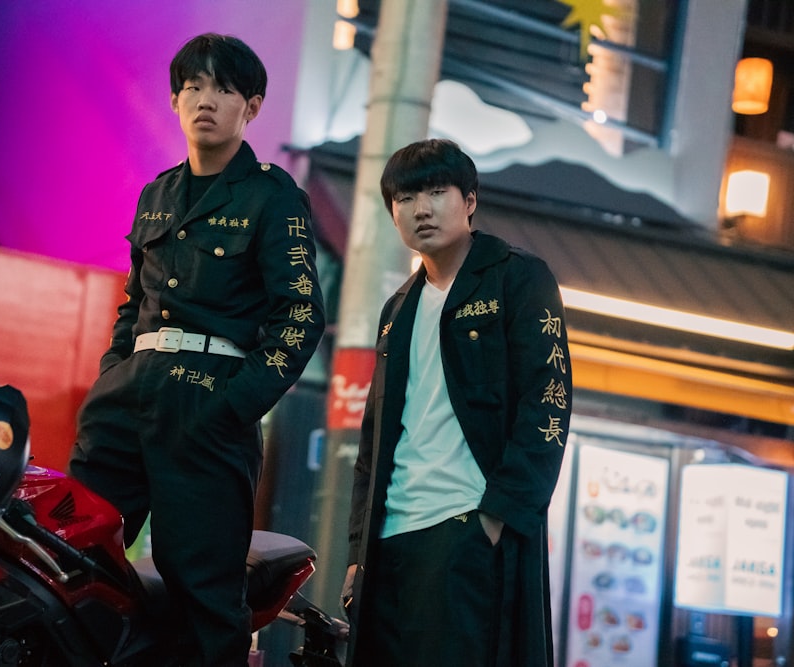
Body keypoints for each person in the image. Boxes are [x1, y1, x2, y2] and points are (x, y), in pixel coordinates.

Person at [68, 33, 325, 667]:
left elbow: (300, 315)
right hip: (127, 399)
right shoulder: (156, 194)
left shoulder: (272, 196)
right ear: (175, 100)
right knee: (71, 560)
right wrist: (112, 377)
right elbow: (133, 306)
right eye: (191, 87)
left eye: (222, 89)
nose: (203, 100)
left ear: (252, 107)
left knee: (203, 587)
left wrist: (234, 407)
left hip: (210, 402)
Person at [342, 138, 571, 666]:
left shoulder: (519, 277)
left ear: (469, 200)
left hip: (466, 527)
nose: (420, 209)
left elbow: (548, 403)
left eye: (437, 192)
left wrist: (499, 517)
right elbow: (374, 440)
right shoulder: (397, 309)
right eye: (404, 198)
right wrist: (358, 551)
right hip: (391, 537)